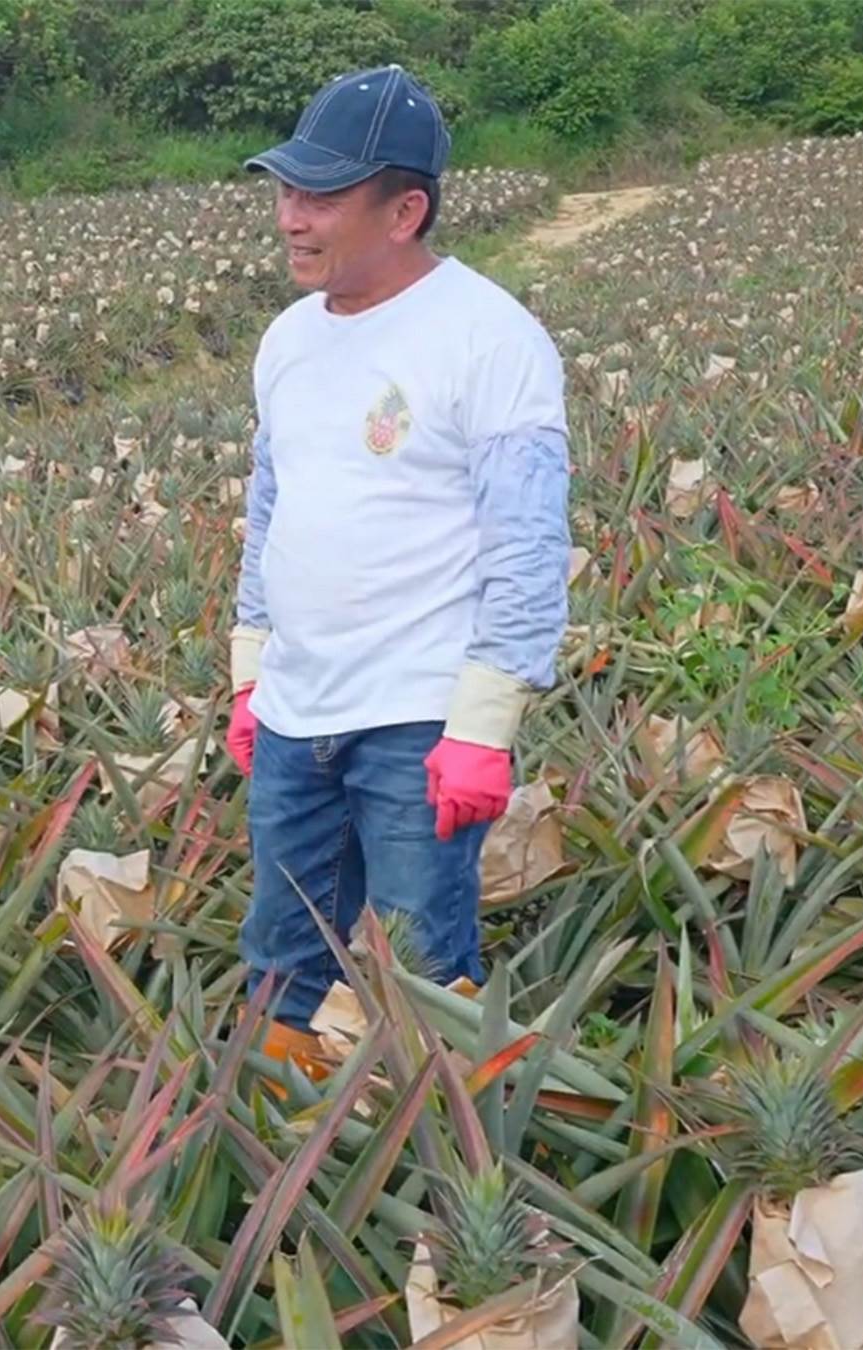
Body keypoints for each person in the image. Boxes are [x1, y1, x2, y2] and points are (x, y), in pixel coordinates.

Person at [225, 66, 572, 1073]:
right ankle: (286, 1181)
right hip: (297, 711)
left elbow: (528, 544)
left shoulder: (489, 337)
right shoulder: (287, 339)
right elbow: (270, 508)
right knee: (283, 960)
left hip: (418, 719)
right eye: (287, 191)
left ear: (405, 209)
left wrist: (485, 726)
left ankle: (435, 1188)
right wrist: (253, 669)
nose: (292, 218)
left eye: (323, 198)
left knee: (419, 968)